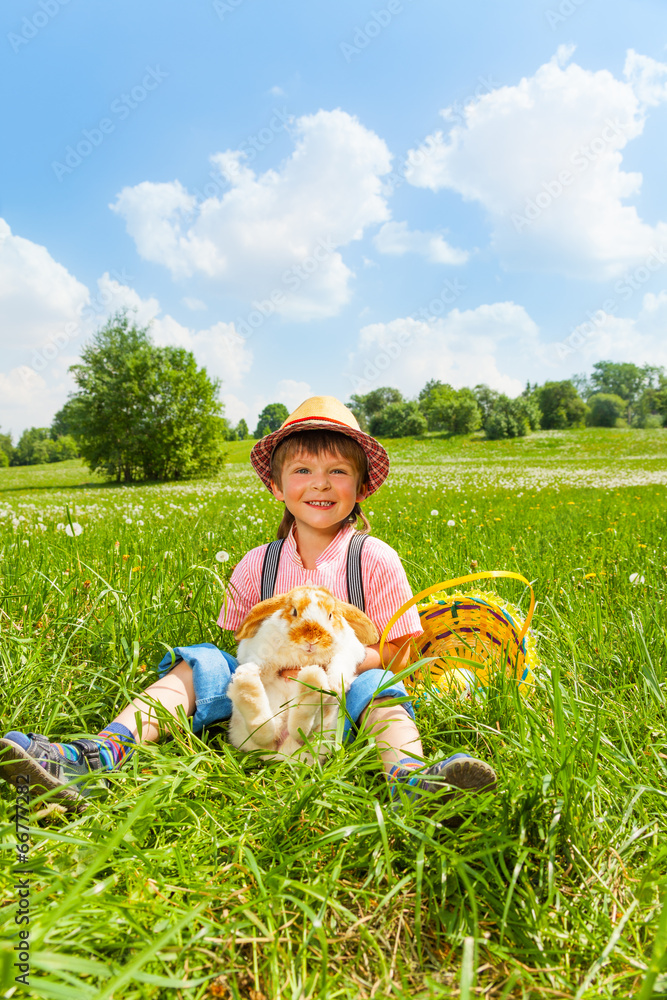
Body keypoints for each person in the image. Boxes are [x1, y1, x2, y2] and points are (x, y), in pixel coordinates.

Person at [0, 396, 496, 810]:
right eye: (302, 469)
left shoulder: (375, 559)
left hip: (335, 710)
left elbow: (399, 653)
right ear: (277, 486)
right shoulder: (256, 564)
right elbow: (240, 645)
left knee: (379, 683)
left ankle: (408, 779)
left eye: (337, 470)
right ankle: (95, 756)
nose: (320, 483)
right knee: (202, 661)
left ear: (361, 485)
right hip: (260, 712)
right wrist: (270, 666)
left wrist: (329, 665)